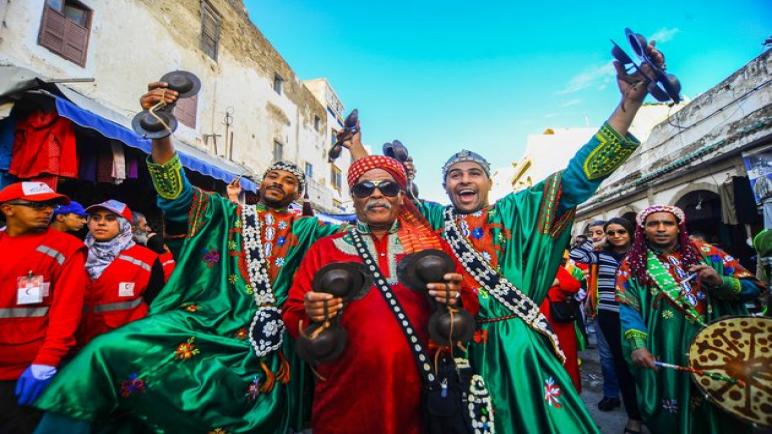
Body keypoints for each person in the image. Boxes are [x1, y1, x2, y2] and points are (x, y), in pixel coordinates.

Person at [32, 82, 367, 433]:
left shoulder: (310, 231)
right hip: (204, 321)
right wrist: (161, 133)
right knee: (109, 351)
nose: (278, 183)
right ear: (261, 181)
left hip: (269, 342)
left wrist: (357, 151)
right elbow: (175, 194)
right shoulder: (222, 212)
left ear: (298, 194)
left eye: (288, 181)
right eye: (273, 176)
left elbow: (366, 226)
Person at [410, 41, 666, 433]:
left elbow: (578, 176)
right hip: (454, 344)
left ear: (489, 181)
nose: (464, 179)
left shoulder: (521, 209)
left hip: (518, 344)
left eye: (473, 172)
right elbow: (385, 199)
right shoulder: (432, 219)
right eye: (455, 175)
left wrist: (630, 103)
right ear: (444, 186)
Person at [283, 155, 478, 434]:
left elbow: (467, 305)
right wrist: (311, 313)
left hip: (419, 394)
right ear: (354, 198)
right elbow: (292, 313)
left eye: (387, 187)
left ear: (401, 197)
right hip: (344, 395)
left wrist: (452, 299)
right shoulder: (325, 249)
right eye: (364, 189)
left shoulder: (430, 246)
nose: (376, 194)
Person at [616, 205, 762, 434]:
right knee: (674, 404)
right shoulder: (633, 264)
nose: (661, 229)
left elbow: (753, 287)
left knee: (721, 403)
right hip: (667, 346)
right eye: (653, 224)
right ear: (643, 230)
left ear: (679, 228)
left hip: (718, 347)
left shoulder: (708, 253)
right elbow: (628, 309)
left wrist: (719, 281)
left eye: (668, 223)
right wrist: (638, 345)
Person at [0, 182, 87, 433]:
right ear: (8, 209)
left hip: (28, 371)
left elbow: (66, 312)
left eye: (50, 205)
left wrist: (46, 362)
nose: (47, 211)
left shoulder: (66, 249)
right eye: (37, 206)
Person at [571, 217, 643, 433]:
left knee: (639, 362)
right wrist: (596, 242)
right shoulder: (600, 255)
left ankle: (646, 406)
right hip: (607, 315)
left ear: (631, 232)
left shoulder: (640, 255)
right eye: (610, 232)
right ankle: (624, 407)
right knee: (615, 361)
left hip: (637, 316)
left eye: (621, 232)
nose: (616, 236)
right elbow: (576, 255)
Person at [77, 200, 165, 346]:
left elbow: (157, 307)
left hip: (127, 347)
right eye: (95, 218)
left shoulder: (147, 259)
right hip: (80, 349)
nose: (101, 223)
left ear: (124, 224)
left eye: (110, 219)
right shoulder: (75, 254)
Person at [539, 256, 583, 392]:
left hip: (559, 324)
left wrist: (557, 281)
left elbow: (575, 285)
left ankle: (569, 393)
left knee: (565, 359)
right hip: (537, 325)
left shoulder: (554, 268)